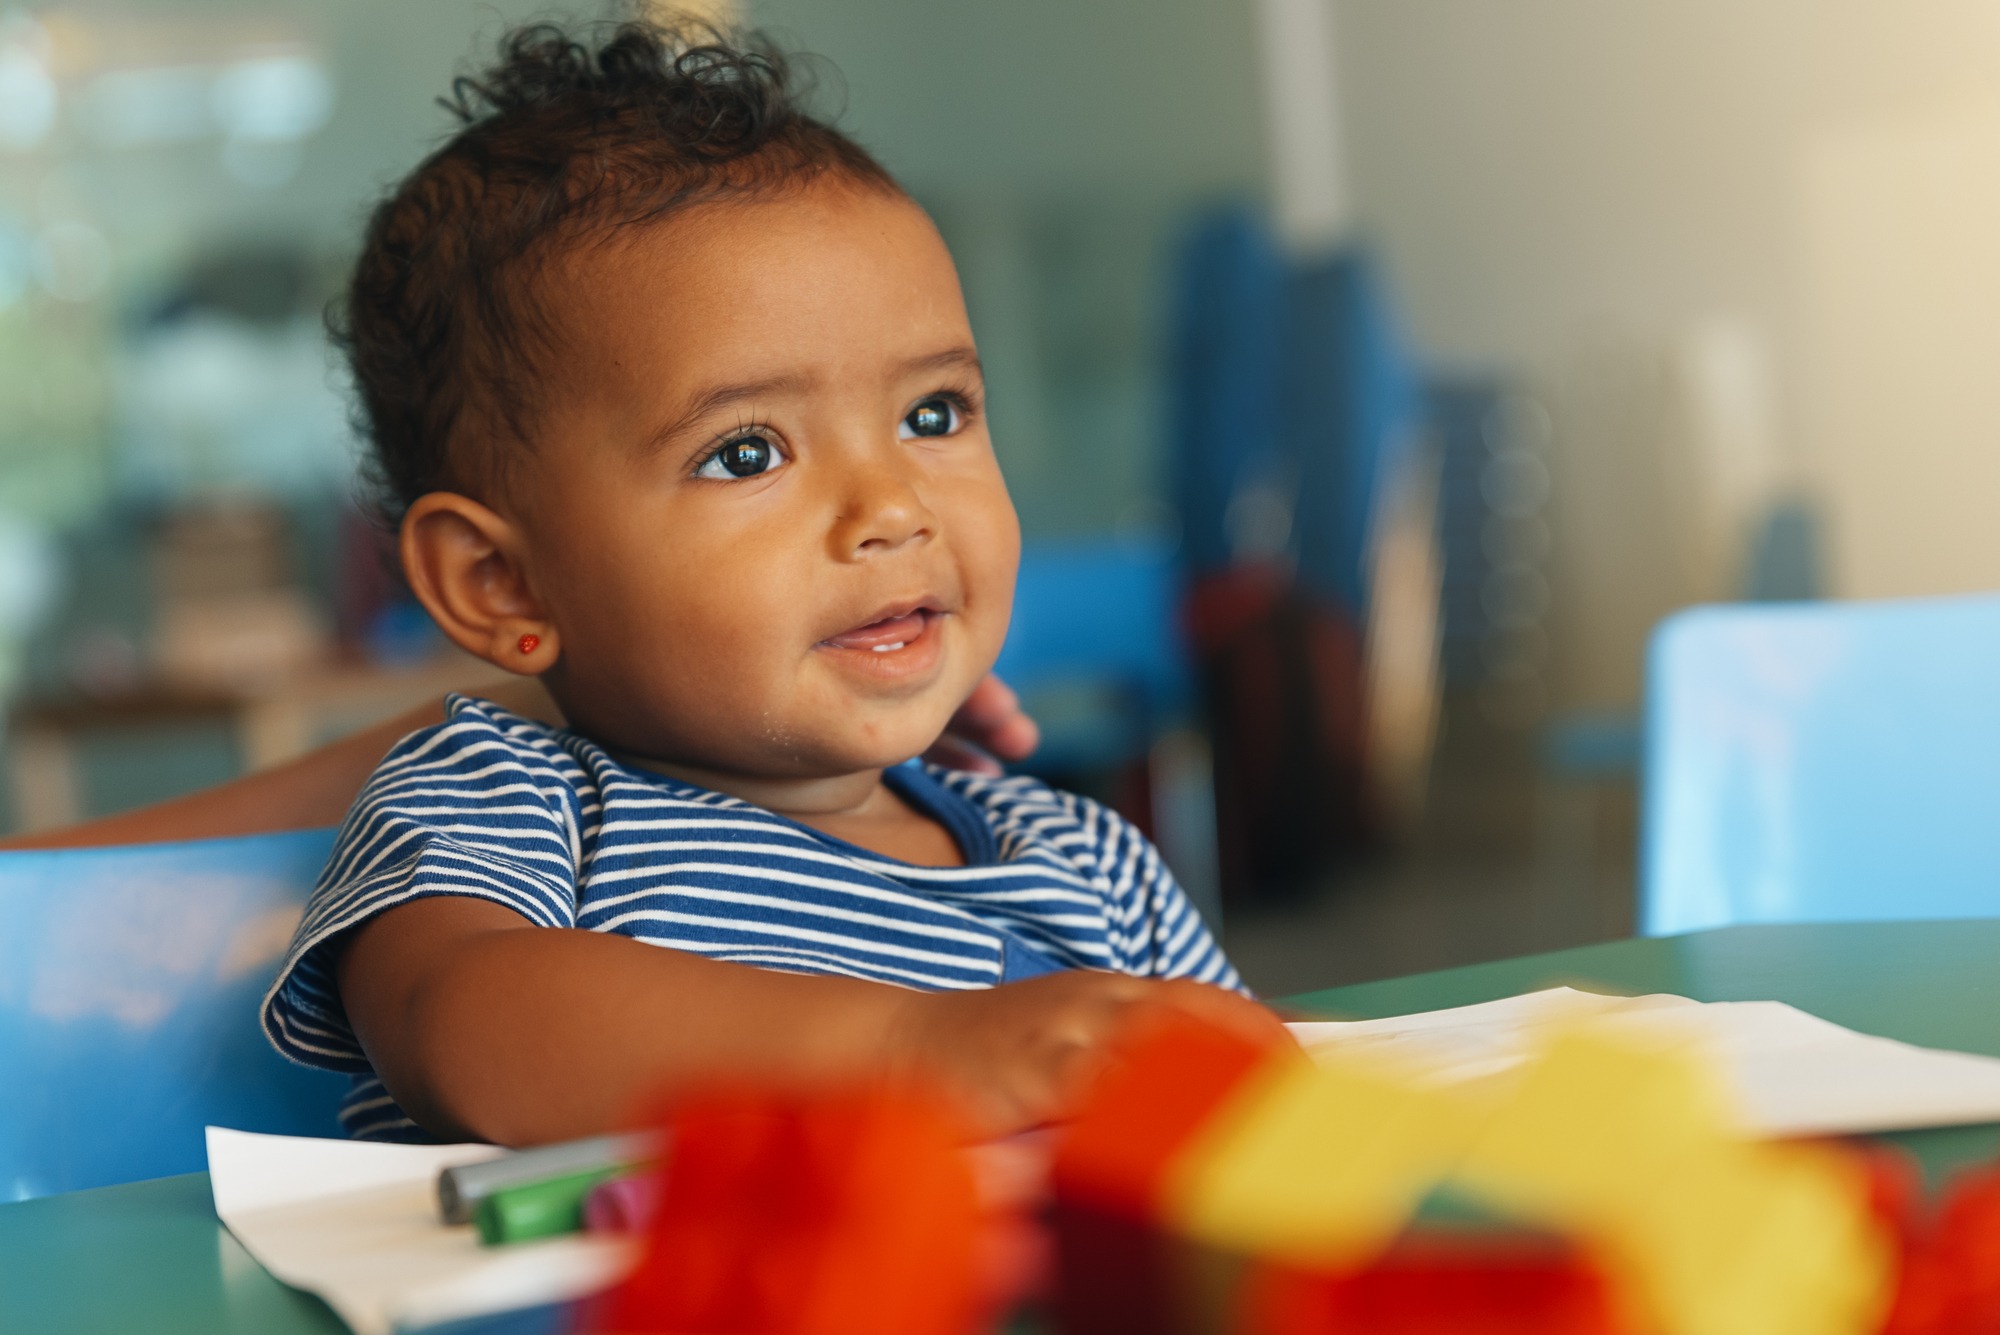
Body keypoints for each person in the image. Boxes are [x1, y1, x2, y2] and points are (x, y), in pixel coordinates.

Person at [261, 18, 1285, 1148]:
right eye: (746, 452)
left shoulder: (1088, 866)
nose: (893, 508)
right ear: (502, 584)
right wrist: (914, 1053)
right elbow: (465, 1029)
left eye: (931, 414)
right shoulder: (509, 800)